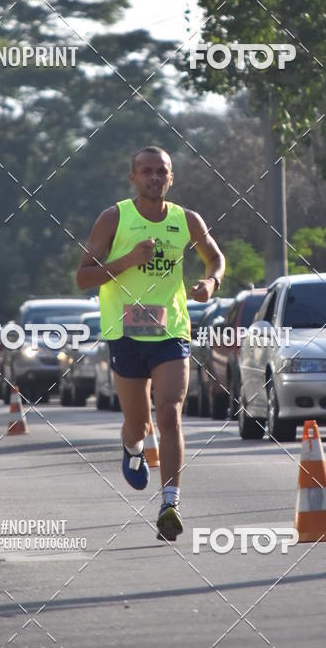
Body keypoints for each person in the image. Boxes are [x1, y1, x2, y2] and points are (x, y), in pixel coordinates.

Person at [76, 145, 225, 541]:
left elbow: (216, 258)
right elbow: (83, 277)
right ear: (133, 178)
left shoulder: (187, 220)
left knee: (170, 411)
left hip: (171, 330)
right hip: (125, 332)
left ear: (171, 178)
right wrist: (127, 261)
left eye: (162, 171)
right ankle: (131, 448)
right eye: (146, 171)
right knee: (138, 423)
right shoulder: (113, 218)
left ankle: (170, 503)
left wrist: (211, 282)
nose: (154, 177)